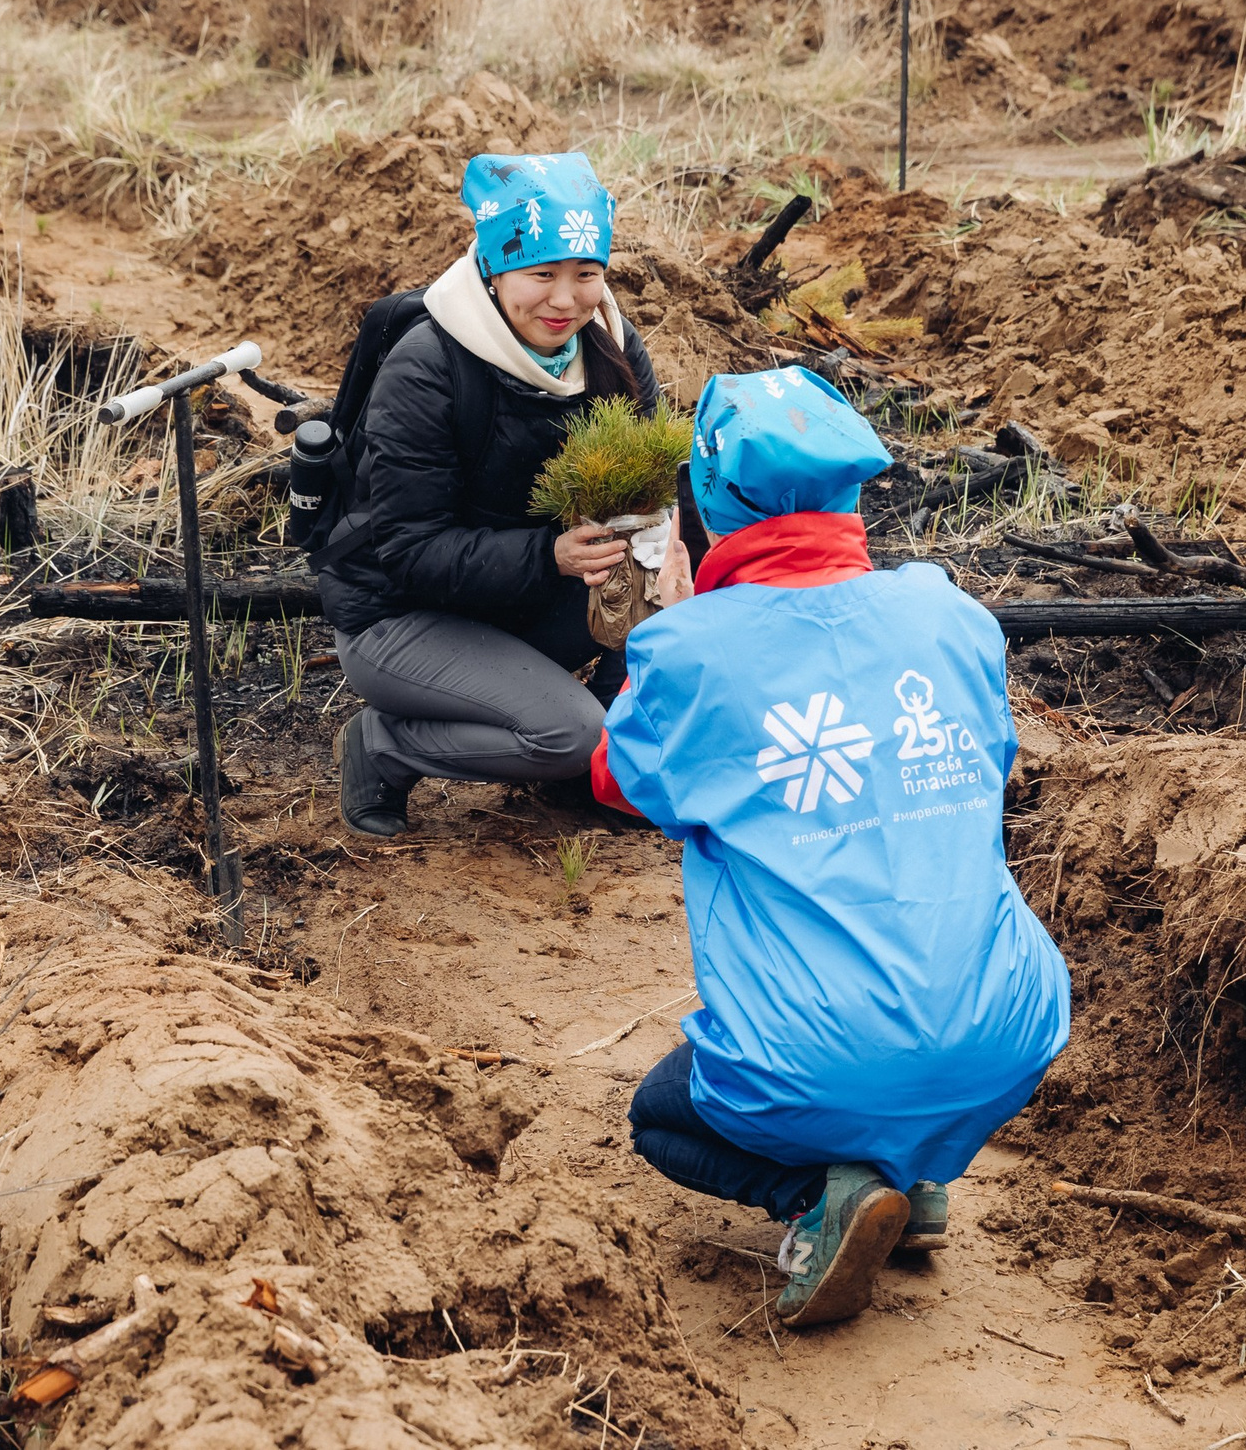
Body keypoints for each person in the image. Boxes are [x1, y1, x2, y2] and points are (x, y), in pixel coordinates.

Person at [591, 367, 1070, 1328]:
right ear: (854, 489)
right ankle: (918, 1183)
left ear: (709, 501)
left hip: (820, 1055)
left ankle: (824, 1198)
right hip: (1013, 1026)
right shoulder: (950, 615)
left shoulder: (691, 650)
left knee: (659, 1116)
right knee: (915, 1006)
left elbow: (615, 780)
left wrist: (665, 621)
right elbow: (994, 755)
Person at [320, 152, 660, 839]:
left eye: (586, 275)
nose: (566, 301)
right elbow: (411, 551)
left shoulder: (613, 352)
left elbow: (648, 507)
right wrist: (552, 556)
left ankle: (595, 772)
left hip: (521, 600)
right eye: (541, 275)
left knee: (672, 588)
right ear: (495, 269)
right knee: (571, 735)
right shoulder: (429, 366)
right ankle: (384, 745)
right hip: (401, 615)